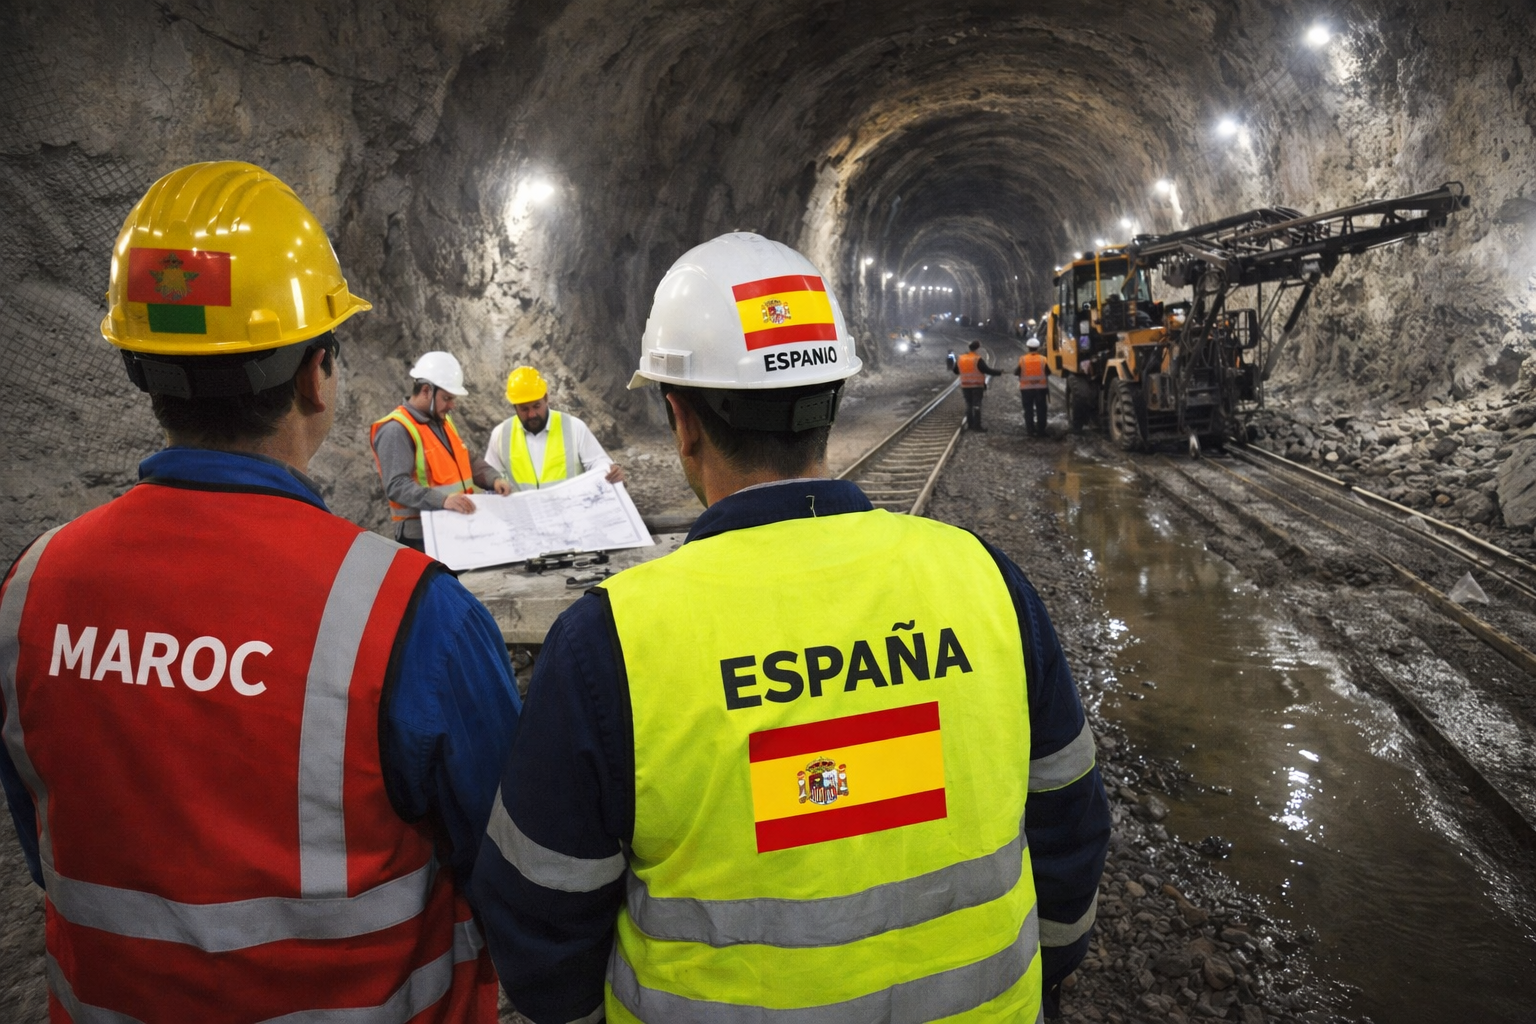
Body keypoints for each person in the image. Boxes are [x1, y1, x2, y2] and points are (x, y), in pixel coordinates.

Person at [469, 232, 1110, 1024]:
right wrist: (1046, 972)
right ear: (834, 397)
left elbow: (541, 913)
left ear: (682, 420)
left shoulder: (611, 644)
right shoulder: (987, 582)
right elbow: (1070, 816)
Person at [0, 161, 518, 1020]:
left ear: (139, 369)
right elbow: (507, 870)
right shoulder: (409, 617)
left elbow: (46, 844)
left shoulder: (29, 592)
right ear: (318, 375)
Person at [371, 352, 510, 551]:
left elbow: (466, 458)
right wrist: (443, 501)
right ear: (426, 390)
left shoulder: (442, 422)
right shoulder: (396, 429)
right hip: (422, 538)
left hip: (456, 528)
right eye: (447, 398)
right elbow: (396, 485)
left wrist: (493, 479)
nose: (452, 405)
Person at [485, 365, 625, 490]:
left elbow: (597, 462)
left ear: (546, 398)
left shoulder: (574, 427)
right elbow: (489, 476)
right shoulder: (501, 435)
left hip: (571, 514)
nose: (532, 414)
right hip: (526, 517)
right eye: (524, 409)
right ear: (514, 407)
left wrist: (609, 470)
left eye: (536, 406)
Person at [953, 338, 1003, 431]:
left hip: (965, 385)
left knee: (969, 404)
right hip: (976, 386)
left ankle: (970, 424)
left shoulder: (961, 358)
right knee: (976, 405)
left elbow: (956, 371)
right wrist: (999, 372)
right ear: (978, 348)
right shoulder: (977, 359)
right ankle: (977, 426)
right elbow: (987, 370)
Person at [1016, 336, 1051, 437]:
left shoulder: (1022, 359)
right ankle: (1041, 430)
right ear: (1038, 347)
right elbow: (1048, 372)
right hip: (1040, 389)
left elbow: (1017, 372)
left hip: (1026, 390)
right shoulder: (1043, 359)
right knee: (1041, 409)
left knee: (1028, 410)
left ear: (1028, 348)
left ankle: (1030, 430)